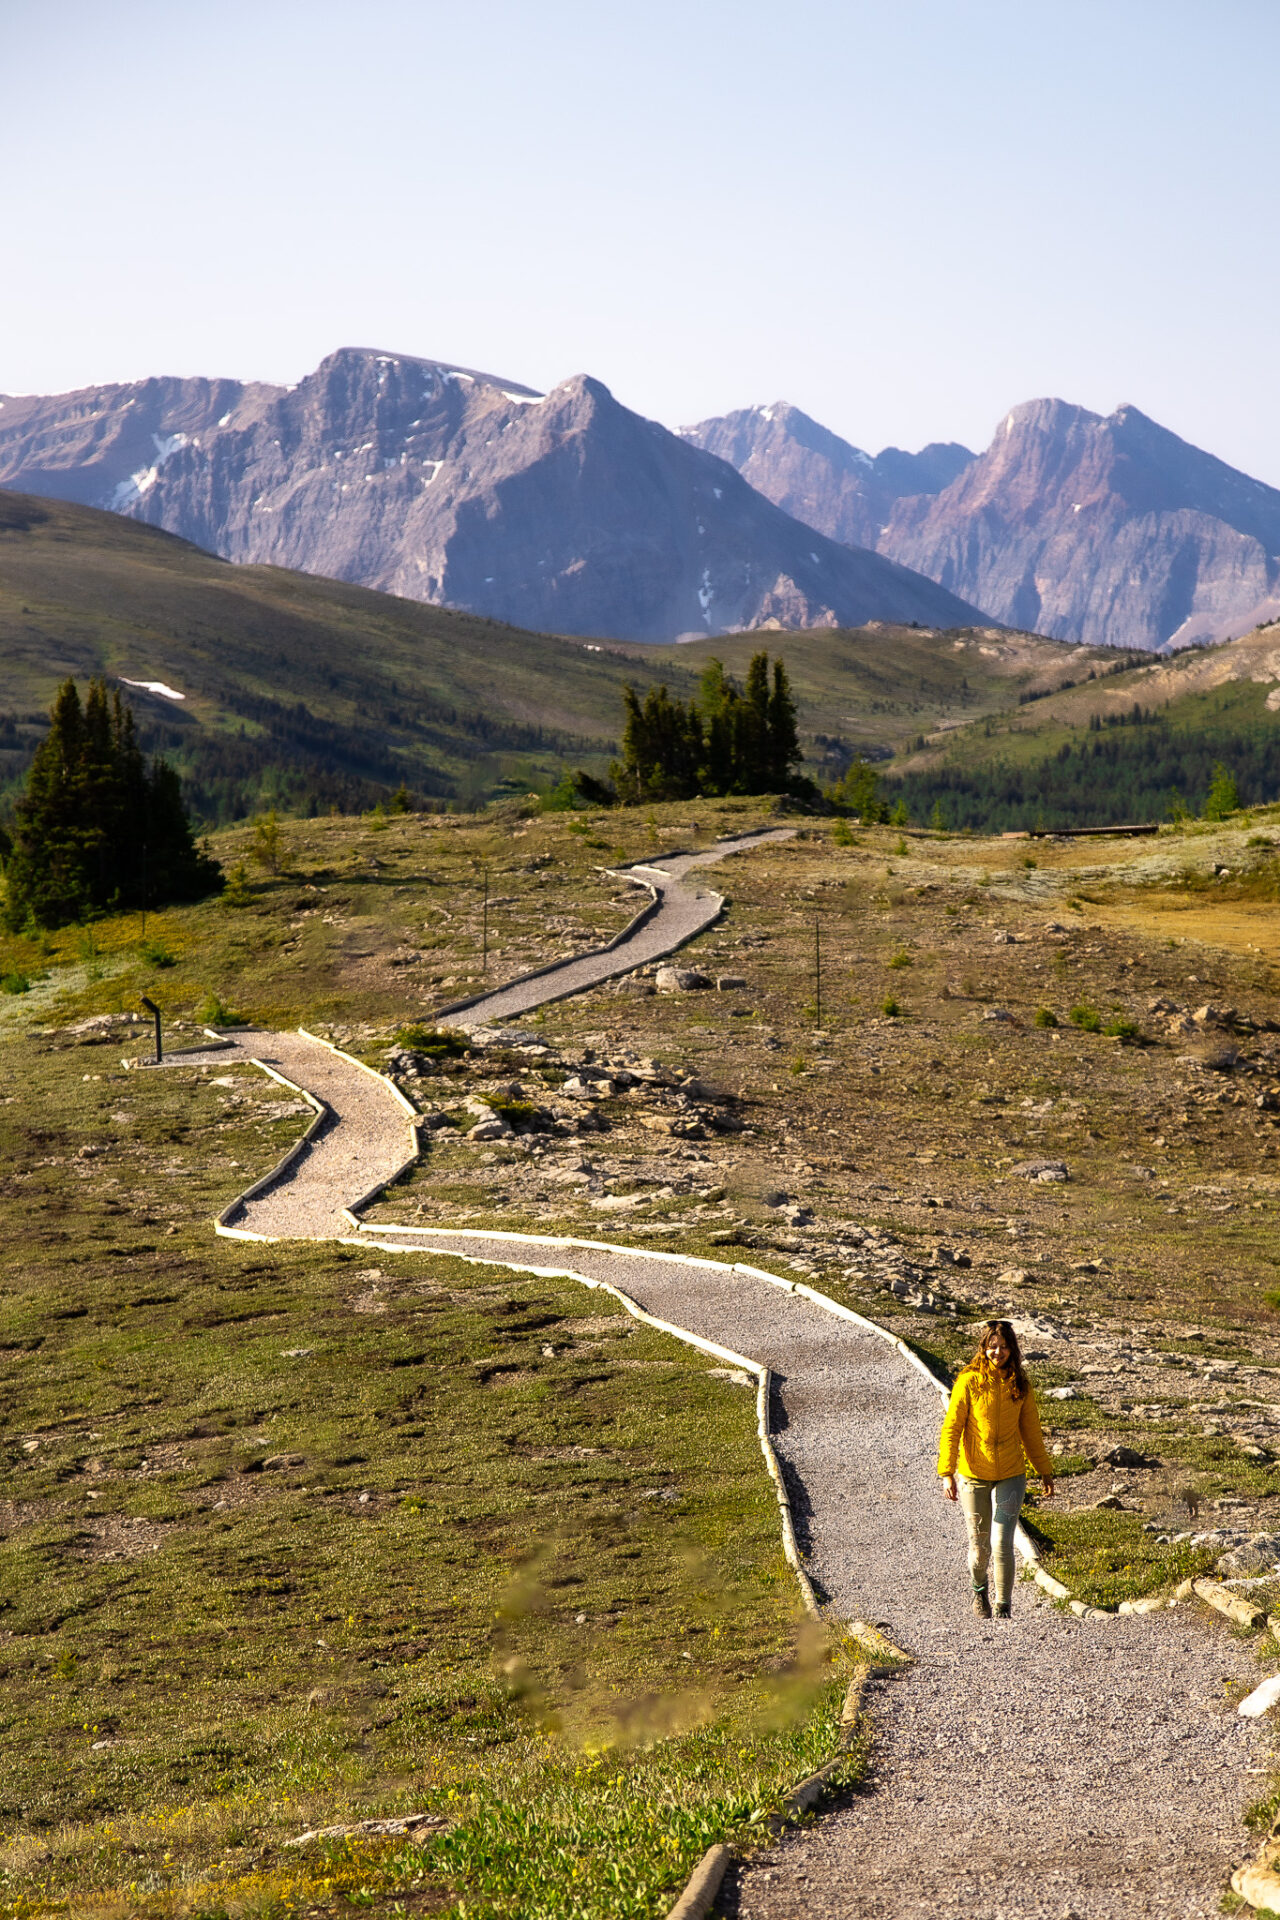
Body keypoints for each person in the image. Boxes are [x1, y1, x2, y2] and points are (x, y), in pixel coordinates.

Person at [937, 1319, 1055, 1619]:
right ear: (984, 1348)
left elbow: (1031, 1432)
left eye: (1003, 1347)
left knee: (1002, 1541)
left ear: (1012, 1350)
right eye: (992, 1347)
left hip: (1012, 1474)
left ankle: (1004, 1607)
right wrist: (947, 1472)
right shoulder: (969, 1381)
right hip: (974, 1474)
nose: (997, 1352)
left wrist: (1044, 1470)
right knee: (979, 1549)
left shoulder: (1021, 1385)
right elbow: (952, 1428)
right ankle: (979, 1592)